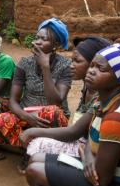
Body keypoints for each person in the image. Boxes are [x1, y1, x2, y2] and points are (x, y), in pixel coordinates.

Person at [23, 44, 120, 186]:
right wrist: (89, 153)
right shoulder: (105, 100)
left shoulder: (117, 116)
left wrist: (87, 155)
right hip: (110, 172)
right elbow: (85, 133)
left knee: (35, 172)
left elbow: (101, 179)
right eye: (92, 65)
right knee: (36, 158)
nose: (91, 71)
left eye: (101, 69)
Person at [0, 18, 72, 165]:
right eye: (36, 37)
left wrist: (45, 67)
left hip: (50, 120)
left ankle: (37, 151)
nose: (37, 42)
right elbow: (13, 100)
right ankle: (27, 150)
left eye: (43, 39)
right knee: (0, 120)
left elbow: (56, 101)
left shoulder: (65, 65)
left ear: (56, 44)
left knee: (53, 111)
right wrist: (26, 116)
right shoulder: (24, 63)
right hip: (27, 114)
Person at [23, 37, 111, 173]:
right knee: (37, 151)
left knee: (37, 146)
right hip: (83, 143)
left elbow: (73, 132)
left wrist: (33, 131)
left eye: (77, 61)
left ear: (94, 64)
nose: (71, 65)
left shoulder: (100, 96)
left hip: (88, 149)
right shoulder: (88, 87)